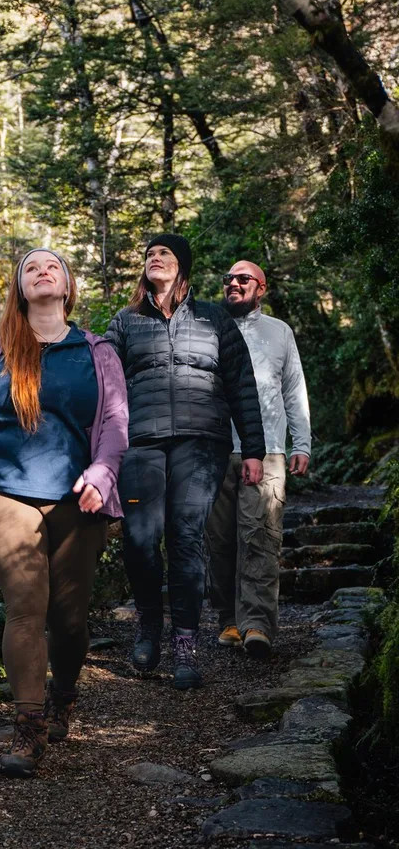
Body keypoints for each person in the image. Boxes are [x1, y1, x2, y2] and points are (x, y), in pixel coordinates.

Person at [0, 248, 128, 778]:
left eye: (53, 267)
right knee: (24, 610)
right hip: (6, 493)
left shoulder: (96, 350)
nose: (43, 272)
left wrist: (102, 475)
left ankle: (64, 695)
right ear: (20, 287)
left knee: (69, 618)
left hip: (79, 500)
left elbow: (114, 425)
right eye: (32, 268)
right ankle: (29, 726)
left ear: (68, 287)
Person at [105, 234, 265, 690]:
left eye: (165, 254)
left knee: (187, 537)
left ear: (182, 268)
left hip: (202, 442)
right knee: (139, 538)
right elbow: (105, 384)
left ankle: (186, 645)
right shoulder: (126, 321)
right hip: (141, 442)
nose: (155, 258)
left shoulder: (214, 317)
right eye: (150, 254)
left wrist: (252, 449)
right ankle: (149, 626)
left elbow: (241, 386)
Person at [205, 260, 311, 658]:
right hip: (214, 449)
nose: (233, 283)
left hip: (266, 451)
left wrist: (300, 444)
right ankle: (228, 620)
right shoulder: (210, 327)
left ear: (261, 288)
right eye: (228, 279)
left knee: (260, 537)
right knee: (218, 542)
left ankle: (258, 624)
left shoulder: (279, 332)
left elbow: (293, 389)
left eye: (243, 279)